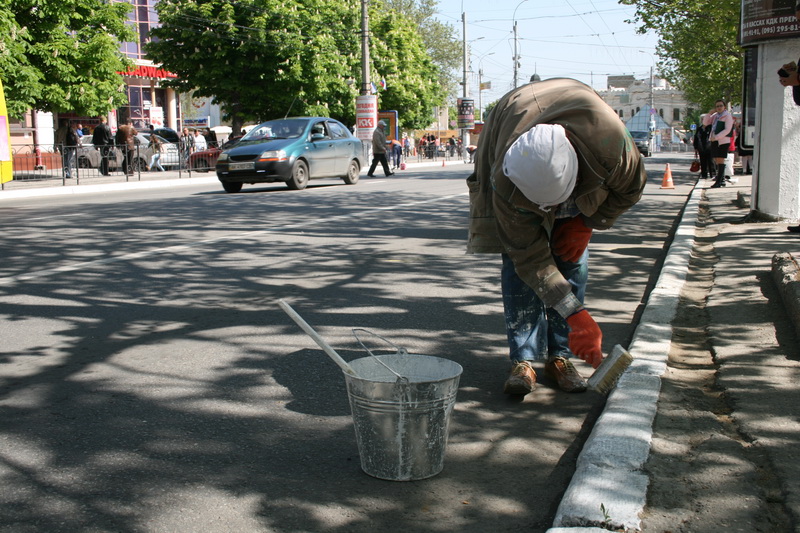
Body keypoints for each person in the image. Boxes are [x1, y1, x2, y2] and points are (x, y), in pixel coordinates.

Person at [467, 78, 646, 396]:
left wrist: (587, 222)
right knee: (520, 268)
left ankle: (559, 357)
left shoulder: (611, 143)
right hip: (511, 117)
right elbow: (528, 255)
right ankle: (523, 360)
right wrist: (578, 316)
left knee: (571, 257)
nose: (546, 213)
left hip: (582, 147)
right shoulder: (505, 180)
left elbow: (631, 189)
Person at [702, 100, 734, 189]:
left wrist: (717, 137)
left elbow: (727, 129)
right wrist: (709, 114)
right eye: (717, 106)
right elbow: (705, 123)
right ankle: (721, 179)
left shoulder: (727, 116)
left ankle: (719, 181)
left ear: (724, 107)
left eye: (721, 105)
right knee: (716, 159)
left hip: (723, 141)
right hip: (714, 140)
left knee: (720, 159)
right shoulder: (715, 116)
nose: (719, 107)